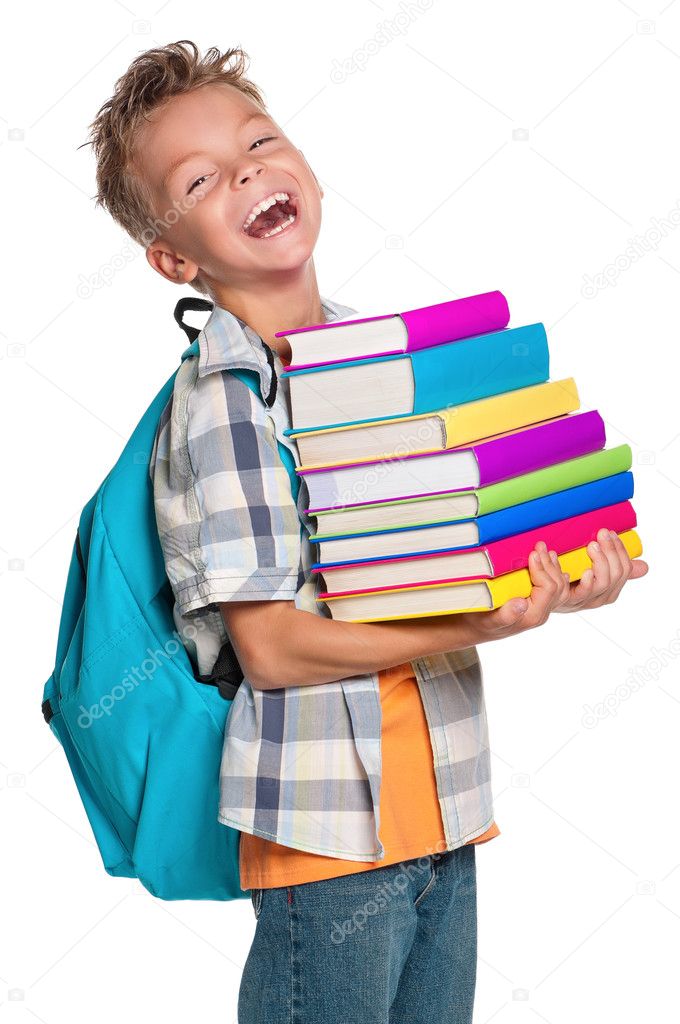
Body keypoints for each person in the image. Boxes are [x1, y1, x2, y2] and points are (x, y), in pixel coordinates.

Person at [83, 39, 648, 1024]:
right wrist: (488, 623)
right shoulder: (227, 398)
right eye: (202, 178)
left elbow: (426, 564)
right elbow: (272, 648)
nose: (248, 169)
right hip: (326, 833)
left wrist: (550, 572)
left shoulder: (370, 365)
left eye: (259, 141)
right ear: (174, 256)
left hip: (441, 812)